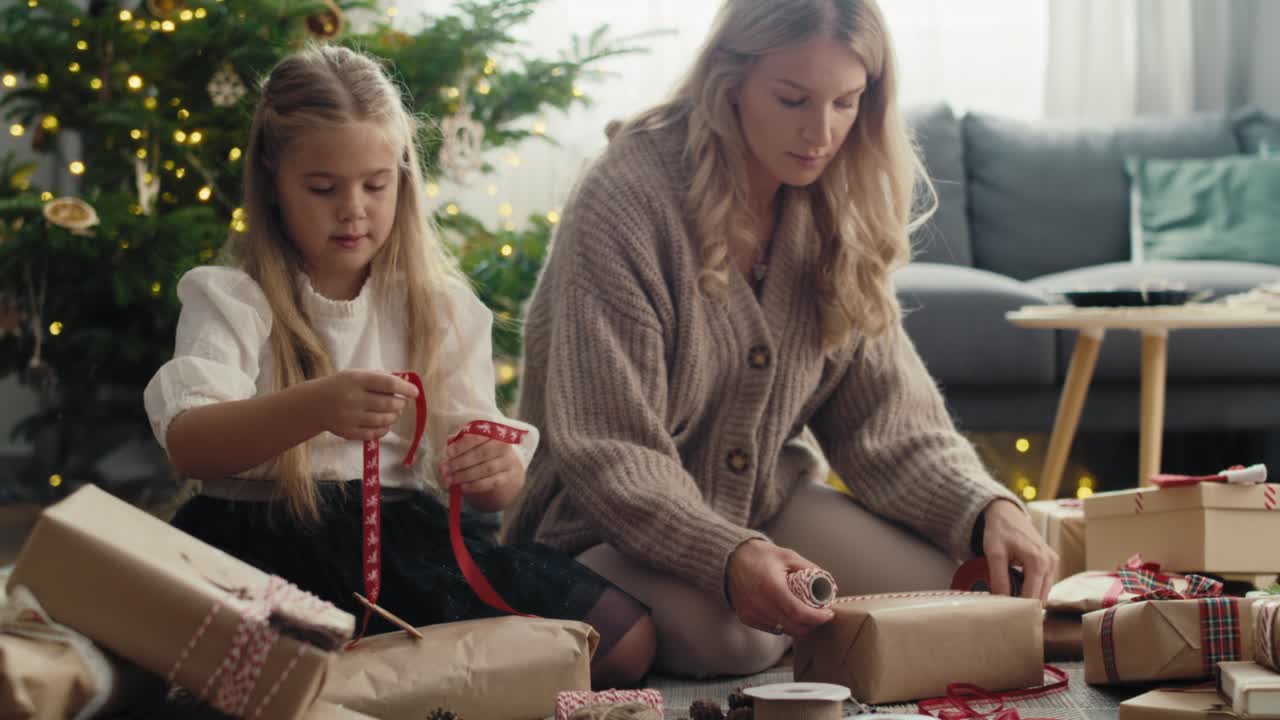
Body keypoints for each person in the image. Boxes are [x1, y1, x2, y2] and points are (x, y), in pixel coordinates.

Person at [504, 0, 1057, 678]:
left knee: (952, 588)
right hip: (602, 524)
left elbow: (889, 421)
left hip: (767, 507)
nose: (820, 132)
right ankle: (803, 625)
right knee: (736, 642)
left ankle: (806, 619)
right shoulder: (626, 198)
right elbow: (610, 452)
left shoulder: (838, 199)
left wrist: (984, 507)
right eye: (793, 99)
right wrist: (727, 556)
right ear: (729, 79)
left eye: (846, 103)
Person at [142, 45, 655, 688]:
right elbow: (190, 444)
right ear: (272, 178)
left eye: (376, 184)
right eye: (323, 188)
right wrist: (316, 406)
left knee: (624, 638)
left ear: (403, 178)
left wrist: (494, 470)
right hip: (259, 537)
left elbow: (490, 482)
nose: (353, 208)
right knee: (216, 667)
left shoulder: (438, 309)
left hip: (400, 541)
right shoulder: (232, 296)